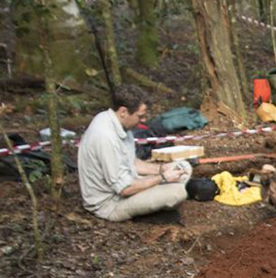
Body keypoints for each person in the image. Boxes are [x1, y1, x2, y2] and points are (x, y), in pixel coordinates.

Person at [77, 85, 193, 221]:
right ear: (123, 111)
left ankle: (156, 200)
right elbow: (125, 189)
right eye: (140, 116)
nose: (143, 120)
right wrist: (163, 178)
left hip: (126, 184)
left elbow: (131, 161)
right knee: (176, 193)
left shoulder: (118, 123)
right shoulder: (105, 137)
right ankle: (147, 212)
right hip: (110, 204)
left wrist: (162, 168)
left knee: (184, 166)